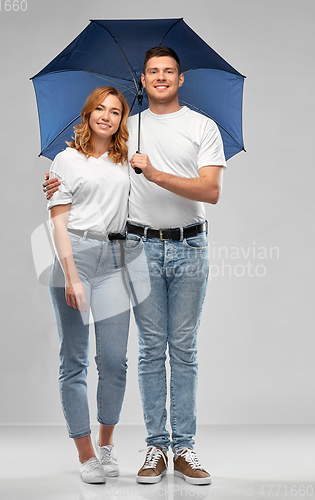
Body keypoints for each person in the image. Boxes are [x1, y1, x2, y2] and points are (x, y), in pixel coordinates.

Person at [43, 47, 226, 486]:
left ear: (180, 79)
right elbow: (76, 191)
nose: (160, 77)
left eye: (168, 71)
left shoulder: (190, 130)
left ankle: (180, 447)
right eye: (152, 72)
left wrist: (156, 172)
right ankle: (151, 447)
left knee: (170, 351)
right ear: (142, 81)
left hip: (175, 248)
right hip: (133, 248)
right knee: (140, 352)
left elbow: (211, 191)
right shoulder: (121, 134)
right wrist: (55, 184)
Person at [46, 86, 130, 484]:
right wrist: (72, 278)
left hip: (115, 260)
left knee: (114, 361)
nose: (107, 116)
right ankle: (85, 454)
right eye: (100, 108)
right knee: (74, 360)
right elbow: (58, 221)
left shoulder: (127, 160)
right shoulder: (65, 159)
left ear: (121, 120)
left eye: (115, 111)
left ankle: (107, 444)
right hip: (73, 255)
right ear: (87, 114)